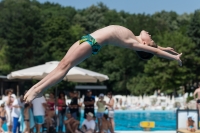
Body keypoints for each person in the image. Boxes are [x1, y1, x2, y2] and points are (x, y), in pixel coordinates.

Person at [24, 25, 182, 102]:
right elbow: (154, 49)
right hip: (88, 39)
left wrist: (173, 58)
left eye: (151, 39)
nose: (151, 34)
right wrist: (166, 48)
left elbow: (153, 51)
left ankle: (38, 90)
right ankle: (36, 88)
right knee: (62, 65)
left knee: (65, 67)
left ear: (145, 45)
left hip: (92, 43)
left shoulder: (133, 43)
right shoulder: (135, 38)